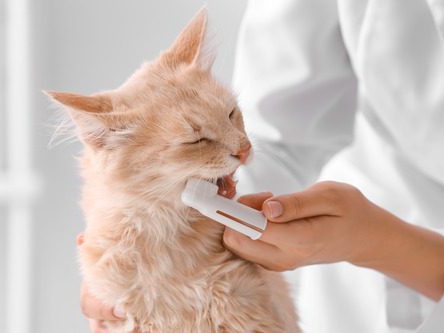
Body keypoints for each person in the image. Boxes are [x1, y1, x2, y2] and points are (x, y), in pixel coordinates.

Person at [80, 1, 444, 332]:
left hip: (375, 237)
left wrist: (375, 241)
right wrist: (166, 241)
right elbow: (282, 138)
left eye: (231, 115)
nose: (240, 146)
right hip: (352, 279)